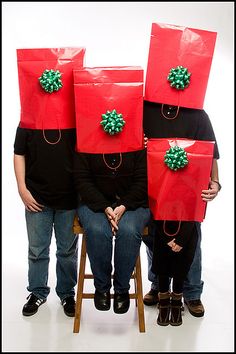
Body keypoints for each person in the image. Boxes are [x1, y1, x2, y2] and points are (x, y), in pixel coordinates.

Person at [142, 102, 221, 320]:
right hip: (154, 186)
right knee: (155, 239)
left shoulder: (197, 113)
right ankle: (159, 285)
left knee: (190, 239)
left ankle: (192, 292)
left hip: (190, 189)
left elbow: (211, 151)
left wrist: (215, 182)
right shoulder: (146, 110)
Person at [73, 149, 151, 314]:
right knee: (97, 229)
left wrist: (124, 205)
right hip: (93, 202)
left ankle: (122, 289)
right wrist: (105, 206)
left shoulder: (137, 140)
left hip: (133, 202)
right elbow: (82, 180)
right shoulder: (87, 141)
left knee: (129, 230)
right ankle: (102, 287)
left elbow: (143, 180)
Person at [14, 127, 79, 317]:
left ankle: (67, 293)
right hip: (36, 197)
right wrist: (22, 189)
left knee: (67, 251)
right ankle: (37, 292)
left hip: (68, 198)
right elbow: (19, 153)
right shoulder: (28, 120)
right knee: (37, 250)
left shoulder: (72, 121)